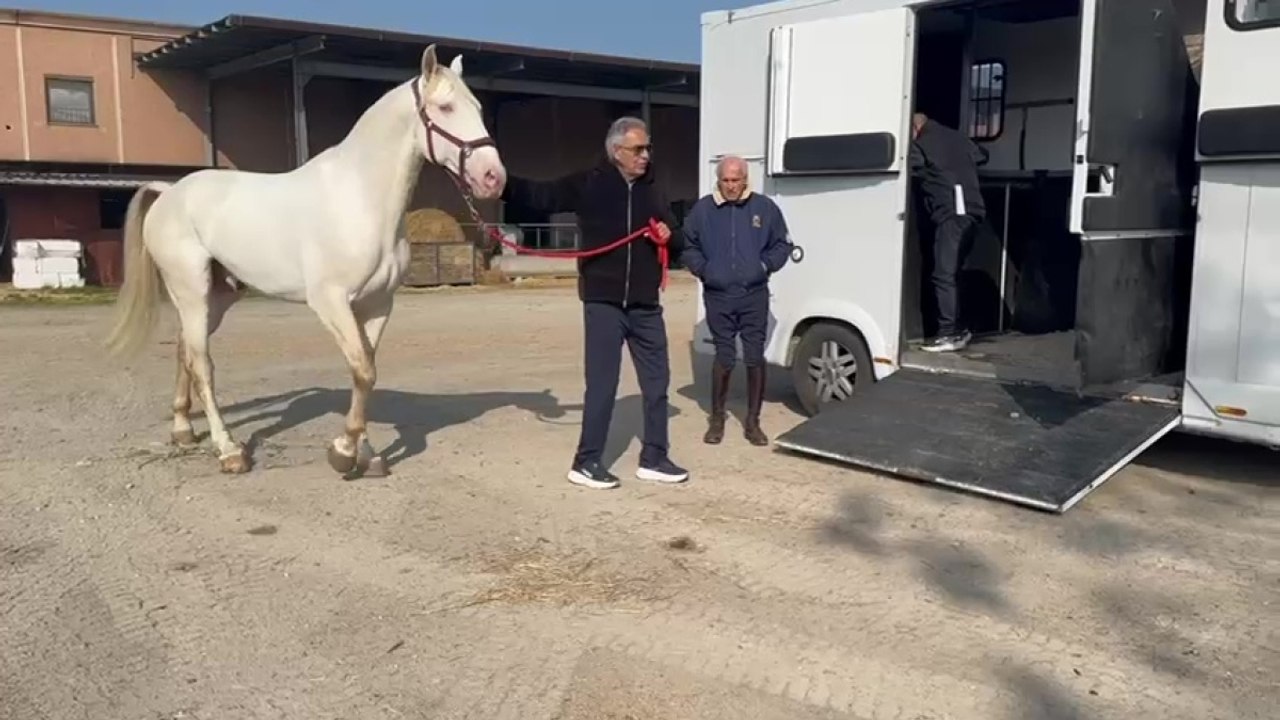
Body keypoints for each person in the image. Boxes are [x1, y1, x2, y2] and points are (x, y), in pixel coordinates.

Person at [500, 116, 688, 490]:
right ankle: (586, 462)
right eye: (638, 149)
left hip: (645, 305)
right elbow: (541, 195)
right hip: (603, 302)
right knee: (602, 386)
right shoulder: (588, 183)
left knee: (657, 383)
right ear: (616, 151)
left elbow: (678, 240)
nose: (645, 155)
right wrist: (500, 182)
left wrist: (671, 235)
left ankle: (654, 457)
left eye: (648, 148)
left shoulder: (653, 190)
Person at [680, 156, 793, 446]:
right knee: (725, 356)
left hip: (753, 294)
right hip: (718, 295)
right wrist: (705, 271)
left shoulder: (764, 208)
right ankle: (717, 418)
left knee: (755, 356)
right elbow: (688, 245)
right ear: (718, 181)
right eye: (725, 181)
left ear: (745, 179)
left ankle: (752, 422)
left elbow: (782, 243)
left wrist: (764, 265)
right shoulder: (703, 210)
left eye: (736, 180)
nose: (731, 186)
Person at [909, 112, 989, 353]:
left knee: (943, 275)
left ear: (915, 128)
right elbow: (982, 156)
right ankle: (960, 328)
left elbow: (906, 166)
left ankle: (947, 334)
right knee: (954, 274)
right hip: (974, 212)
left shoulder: (921, 145)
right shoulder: (958, 137)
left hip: (952, 215)